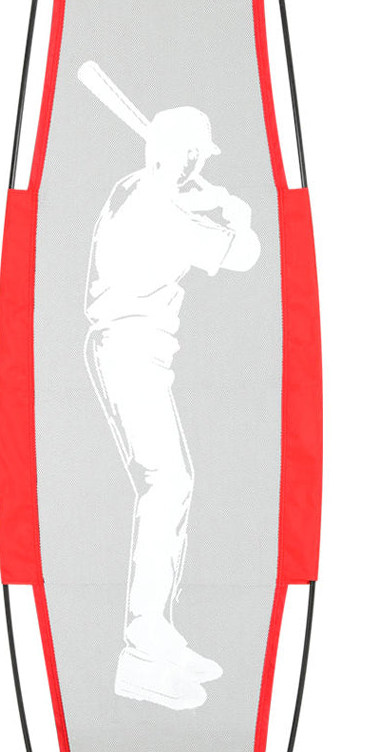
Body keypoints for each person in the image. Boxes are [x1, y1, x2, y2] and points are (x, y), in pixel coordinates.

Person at [84, 106, 261, 710]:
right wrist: (238, 216)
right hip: (130, 354)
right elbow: (244, 255)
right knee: (168, 486)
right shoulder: (164, 216)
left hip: (126, 352)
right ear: (184, 155)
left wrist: (203, 195)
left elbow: (172, 196)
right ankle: (140, 652)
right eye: (197, 155)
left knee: (170, 486)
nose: (199, 163)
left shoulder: (132, 188)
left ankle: (157, 633)